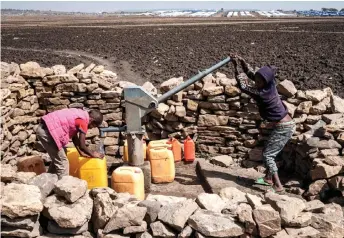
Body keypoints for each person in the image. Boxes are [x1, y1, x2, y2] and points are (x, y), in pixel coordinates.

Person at [230, 55, 295, 192]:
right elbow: (251, 74)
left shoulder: (262, 93)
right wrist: (242, 61)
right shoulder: (270, 84)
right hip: (283, 124)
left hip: (283, 127)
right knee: (269, 150)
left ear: (265, 82)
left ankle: (278, 186)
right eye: (257, 80)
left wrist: (235, 66)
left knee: (268, 155)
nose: (257, 82)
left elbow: (243, 85)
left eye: (259, 81)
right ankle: (268, 178)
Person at [36, 108, 104, 179]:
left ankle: (49, 180)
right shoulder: (83, 122)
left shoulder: (80, 114)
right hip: (47, 133)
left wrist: (80, 152)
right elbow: (82, 145)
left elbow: (74, 137)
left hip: (46, 129)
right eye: (93, 126)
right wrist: (93, 154)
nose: (91, 128)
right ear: (92, 121)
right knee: (63, 163)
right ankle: (63, 187)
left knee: (61, 156)